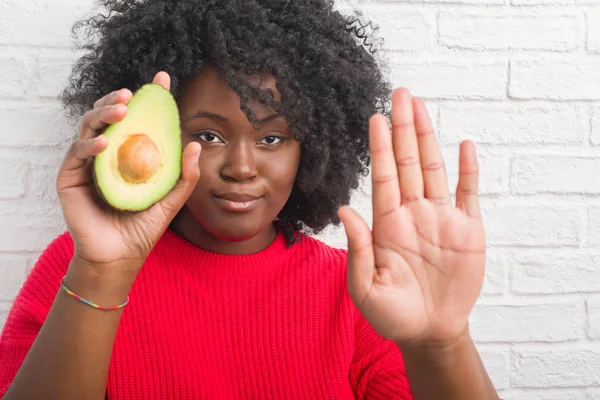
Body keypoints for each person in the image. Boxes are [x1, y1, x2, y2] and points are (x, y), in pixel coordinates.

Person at [0, 0, 499, 398]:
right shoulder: (79, 267)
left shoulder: (360, 291)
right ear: (161, 137)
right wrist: (101, 273)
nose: (241, 168)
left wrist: (442, 344)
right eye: (210, 137)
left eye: (272, 139)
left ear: (314, 149)